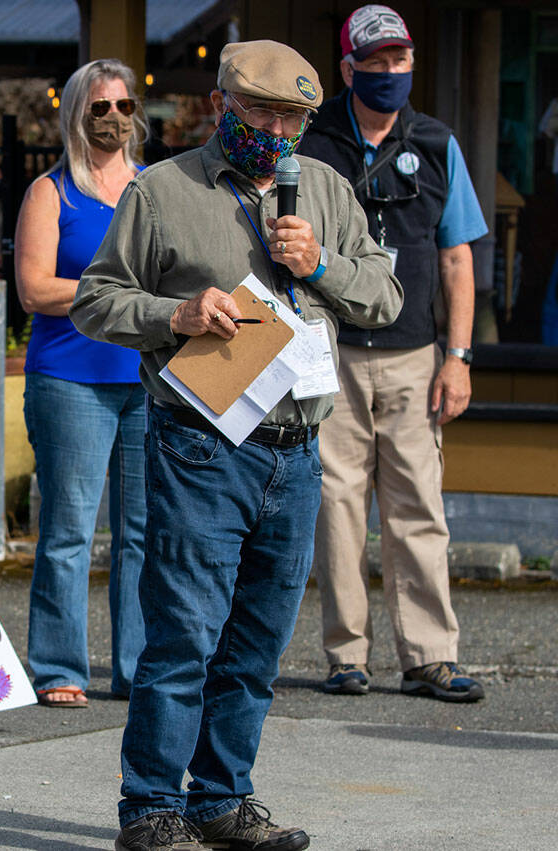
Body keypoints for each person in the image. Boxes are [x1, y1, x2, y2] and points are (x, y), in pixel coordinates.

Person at [71, 41, 403, 850]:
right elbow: (94, 301)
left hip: (298, 447)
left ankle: (222, 797)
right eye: (264, 114)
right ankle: (150, 806)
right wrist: (174, 316)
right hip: (201, 444)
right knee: (184, 633)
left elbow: (386, 297)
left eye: (295, 118)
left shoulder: (324, 187)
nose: (281, 133)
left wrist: (319, 261)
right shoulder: (162, 191)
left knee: (257, 640)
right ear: (222, 105)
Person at [297, 4, 488, 703]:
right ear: (346, 69)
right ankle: (346, 654)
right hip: (331, 350)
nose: (387, 74)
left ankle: (431, 655)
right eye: (373, 63)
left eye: (398, 62)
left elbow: (457, 258)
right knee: (336, 504)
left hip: (415, 355)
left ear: (412, 65)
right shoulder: (313, 145)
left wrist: (459, 355)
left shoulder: (437, 143)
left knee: (418, 505)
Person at [14, 58, 148, 709]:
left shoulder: (153, 188)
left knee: (144, 533)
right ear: (77, 113)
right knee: (69, 531)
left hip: (148, 382)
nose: (115, 118)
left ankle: (136, 667)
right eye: (101, 107)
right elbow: (35, 289)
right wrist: (118, 295)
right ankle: (58, 665)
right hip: (70, 380)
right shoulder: (51, 191)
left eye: (124, 106)